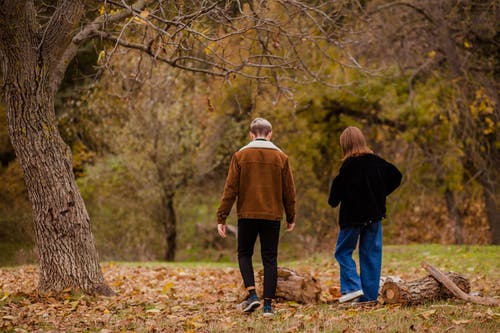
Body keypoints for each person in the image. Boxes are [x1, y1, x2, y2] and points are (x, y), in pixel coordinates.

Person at [216, 118, 296, 317]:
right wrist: (291, 216)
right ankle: (268, 306)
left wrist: (222, 217)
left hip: (247, 215)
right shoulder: (282, 158)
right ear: (270, 134)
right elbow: (289, 191)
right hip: (272, 216)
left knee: (244, 254)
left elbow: (230, 189)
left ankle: (252, 296)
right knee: (270, 258)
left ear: (251, 134)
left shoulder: (240, 155)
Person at [328, 126, 402, 305]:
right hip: (374, 216)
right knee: (371, 255)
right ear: (362, 141)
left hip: (352, 218)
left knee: (343, 252)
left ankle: (353, 288)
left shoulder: (347, 167)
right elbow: (396, 175)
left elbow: (333, 199)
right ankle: (368, 298)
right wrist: (379, 193)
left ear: (344, 145)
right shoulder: (376, 161)